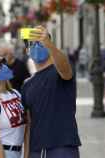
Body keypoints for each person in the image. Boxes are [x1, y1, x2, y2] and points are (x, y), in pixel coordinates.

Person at [21, 26, 81, 158]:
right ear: (27, 51)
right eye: (33, 43)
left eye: (40, 42)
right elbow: (29, 123)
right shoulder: (27, 85)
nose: (38, 45)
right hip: (36, 150)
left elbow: (65, 69)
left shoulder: (59, 71)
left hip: (63, 147)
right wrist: (26, 154)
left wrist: (49, 45)